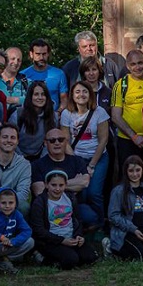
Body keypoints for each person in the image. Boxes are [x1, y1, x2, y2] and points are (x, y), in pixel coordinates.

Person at [60, 80, 111, 218]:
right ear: (72, 95)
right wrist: (79, 165)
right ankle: (82, 223)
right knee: (80, 192)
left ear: (90, 94)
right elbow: (65, 141)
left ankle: (99, 223)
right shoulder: (66, 114)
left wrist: (92, 165)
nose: (81, 94)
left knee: (94, 193)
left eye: (84, 91)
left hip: (98, 157)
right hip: (77, 157)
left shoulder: (99, 112)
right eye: (77, 91)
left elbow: (103, 140)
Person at [28, 169, 97, 269]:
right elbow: (38, 230)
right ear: (46, 185)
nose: (57, 189)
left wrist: (78, 235)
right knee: (71, 260)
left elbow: (77, 219)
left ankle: (70, 255)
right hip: (51, 241)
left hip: (71, 237)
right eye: (53, 185)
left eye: (61, 185)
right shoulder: (40, 202)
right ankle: (43, 258)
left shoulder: (70, 198)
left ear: (66, 185)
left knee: (91, 257)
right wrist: (61, 240)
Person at [106, 155, 143, 262]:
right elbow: (113, 215)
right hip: (127, 231)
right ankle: (112, 249)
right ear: (126, 172)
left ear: (142, 170)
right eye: (131, 171)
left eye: (138, 170)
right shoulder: (119, 191)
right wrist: (133, 229)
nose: (135, 174)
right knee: (141, 258)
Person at [110, 49, 143, 173]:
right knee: (127, 177)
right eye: (133, 64)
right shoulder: (121, 85)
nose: (137, 67)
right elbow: (115, 116)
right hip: (127, 140)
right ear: (127, 66)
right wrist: (134, 137)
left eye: (140, 63)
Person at [10, 81, 57, 162]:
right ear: (30, 97)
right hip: (17, 156)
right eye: (36, 94)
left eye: (43, 94)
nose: (40, 97)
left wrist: (41, 161)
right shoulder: (18, 114)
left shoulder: (53, 116)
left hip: (40, 156)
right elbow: (10, 140)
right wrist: (22, 160)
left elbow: (50, 142)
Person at [21, 38, 69, 108]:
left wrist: (59, 113)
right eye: (38, 54)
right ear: (31, 54)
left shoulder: (59, 74)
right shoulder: (23, 75)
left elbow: (64, 99)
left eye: (44, 54)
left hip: (53, 116)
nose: (41, 57)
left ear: (48, 54)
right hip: (30, 116)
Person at [0, 124, 32, 212]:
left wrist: (6, 205)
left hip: (11, 205)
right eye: (5, 137)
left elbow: (23, 193)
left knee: (24, 206)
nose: (9, 140)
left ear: (17, 141)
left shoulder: (24, 164)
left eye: (13, 138)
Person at [0, 46, 29, 114]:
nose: (16, 62)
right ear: (5, 60)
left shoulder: (26, 82)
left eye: (19, 60)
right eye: (13, 59)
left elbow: (35, 100)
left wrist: (17, 100)